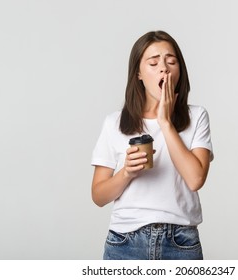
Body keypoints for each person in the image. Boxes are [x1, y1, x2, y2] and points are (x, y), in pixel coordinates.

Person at [91, 30, 213, 260]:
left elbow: (196, 179)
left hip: (180, 242)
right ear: (138, 73)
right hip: (125, 242)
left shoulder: (197, 117)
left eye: (171, 61)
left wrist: (165, 122)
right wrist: (126, 172)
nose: (164, 68)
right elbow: (98, 195)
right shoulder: (114, 123)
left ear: (179, 71)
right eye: (153, 62)